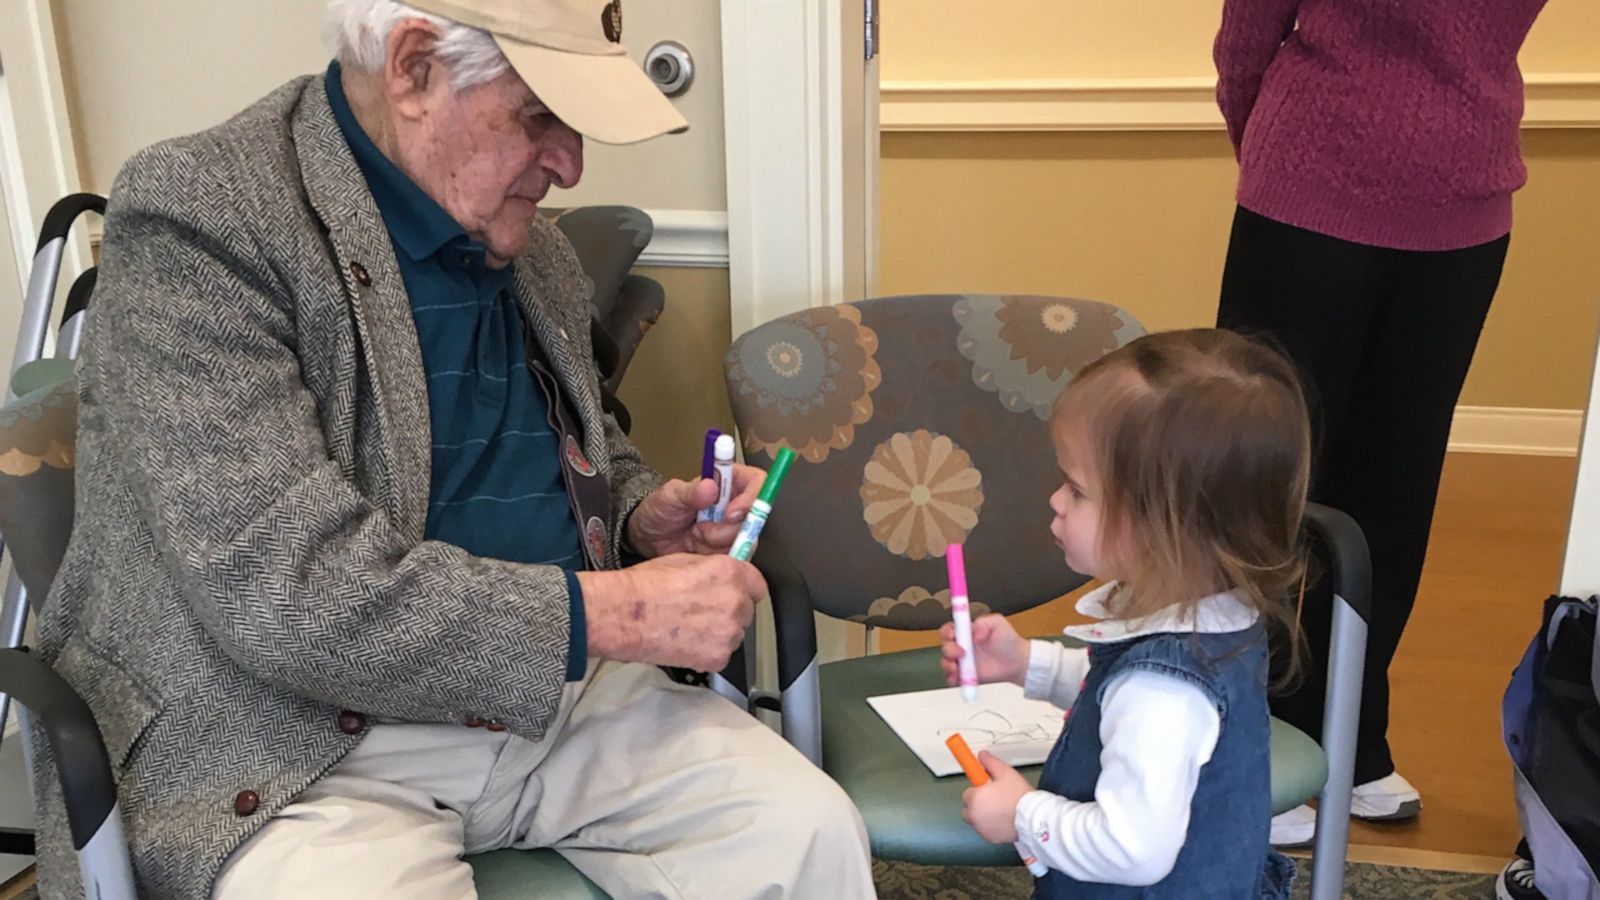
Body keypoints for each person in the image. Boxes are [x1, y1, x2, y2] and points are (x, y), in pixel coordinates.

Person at [27, 1, 873, 897]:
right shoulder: (205, 218)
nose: (571, 163)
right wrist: (617, 614)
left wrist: (637, 518)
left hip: (557, 696)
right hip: (297, 739)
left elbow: (585, 446)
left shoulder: (529, 240)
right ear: (416, 68)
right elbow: (286, 590)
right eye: (540, 115)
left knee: (805, 834)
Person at [1212, 0, 1548, 847]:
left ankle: (1352, 731)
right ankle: (1250, 736)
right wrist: (1288, 153)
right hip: (1308, 190)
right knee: (1270, 474)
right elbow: (1248, 33)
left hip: (1466, 204)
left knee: (1395, 490)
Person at [942, 330, 1310, 898]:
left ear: (1166, 524)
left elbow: (1131, 848)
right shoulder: (1216, 613)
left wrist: (1021, 812)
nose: (1055, 501)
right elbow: (1111, 698)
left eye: (1077, 489)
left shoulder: (1161, 691)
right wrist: (1025, 665)